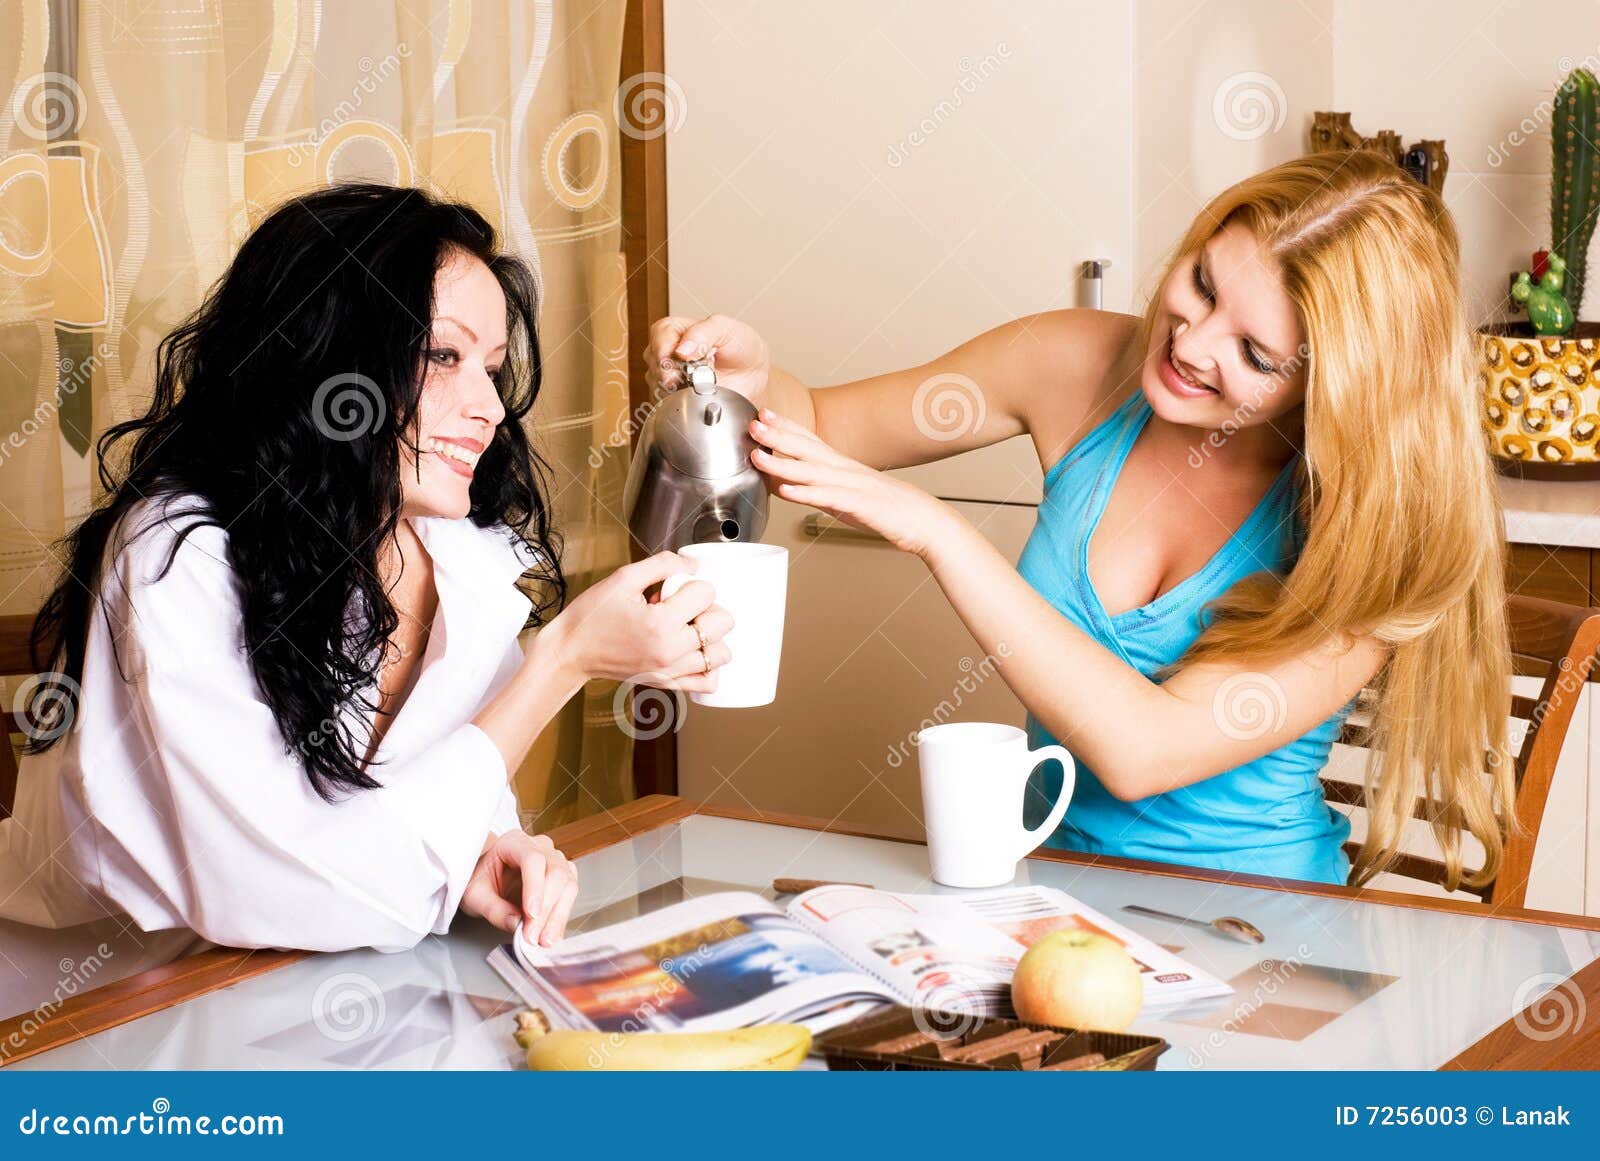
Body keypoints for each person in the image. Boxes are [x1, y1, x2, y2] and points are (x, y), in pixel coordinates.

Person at [648, 149, 1513, 890]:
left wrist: (938, 532)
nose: (1191, 342)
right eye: (1203, 283)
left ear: (1334, 388)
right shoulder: (1076, 361)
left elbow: (1143, 751)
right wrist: (748, 380)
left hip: (1264, 934)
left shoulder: (1367, 531)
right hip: (1053, 901)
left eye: (1253, 353)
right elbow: (825, 429)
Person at [0, 184, 731, 953]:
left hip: (326, 997)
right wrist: (564, 660)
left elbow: (425, 816)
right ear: (327, 362)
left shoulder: (460, 559)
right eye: (443, 355)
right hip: (108, 1010)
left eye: (490, 367)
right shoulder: (177, 555)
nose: (490, 406)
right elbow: (286, 893)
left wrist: (483, 855)